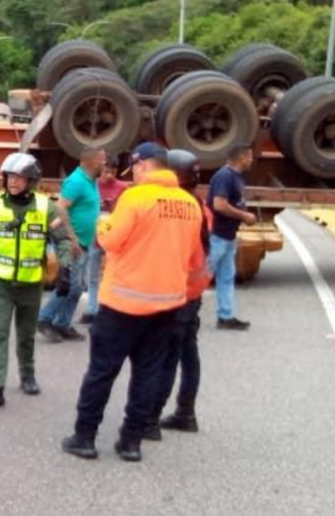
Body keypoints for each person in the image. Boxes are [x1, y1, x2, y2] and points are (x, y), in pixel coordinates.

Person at [61, 142, 203, 463]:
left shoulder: (135, 198)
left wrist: (103, 222)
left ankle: (85, 437)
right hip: (167, 305)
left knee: (102, 371)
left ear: (141, 166)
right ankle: (131, 442)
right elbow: (192, 256)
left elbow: (110, 240)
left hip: (123, 303)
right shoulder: (189, 204)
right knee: (147, 374)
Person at [0, 152, 72, 406]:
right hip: (1, 282)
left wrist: (66, 268)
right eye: (10, 177)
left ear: (31, 181)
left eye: (20, 177)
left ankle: (27, 375)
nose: (13, 182)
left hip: (31, 283)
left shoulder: (45, 207)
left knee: (26, 334)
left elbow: (61, 240)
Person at [149, 149, 213, 439]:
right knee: (188, 352)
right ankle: (185, 412)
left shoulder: (178, 206)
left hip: (175, 291)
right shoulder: (199, 205)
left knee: (165, 357)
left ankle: (150, 419)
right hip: (192, 291)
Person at [37, 147, 105, 342]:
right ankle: (44, 319)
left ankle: (62, 324)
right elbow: (60, 209)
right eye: (103, 160)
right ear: (92, 162)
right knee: (70, 285)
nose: (105, 164)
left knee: (78, 286)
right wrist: (72, 239)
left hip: (85, 243)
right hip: (71, 243)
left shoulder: (91, 182)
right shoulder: (76, 182)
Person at [207, 144, 256, 330]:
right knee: (200, 276)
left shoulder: (237, 177)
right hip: (216, 235)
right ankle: (179, 315)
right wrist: (244, 216)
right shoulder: (225, 176)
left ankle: (225, 316)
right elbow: (219, 205)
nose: (251, 160)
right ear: (242, 157)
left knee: (227, 277)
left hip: (228, 236)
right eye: (249, 157)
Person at [79, 154, 130, 325]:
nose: (109, 175)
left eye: (113, 172)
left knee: (114, 275)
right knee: (92, 276)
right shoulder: (92, 186)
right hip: (94, 237)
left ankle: (112, 309)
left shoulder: (123, 188)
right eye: (106, 171)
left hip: (114, 238)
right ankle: (92, 308)